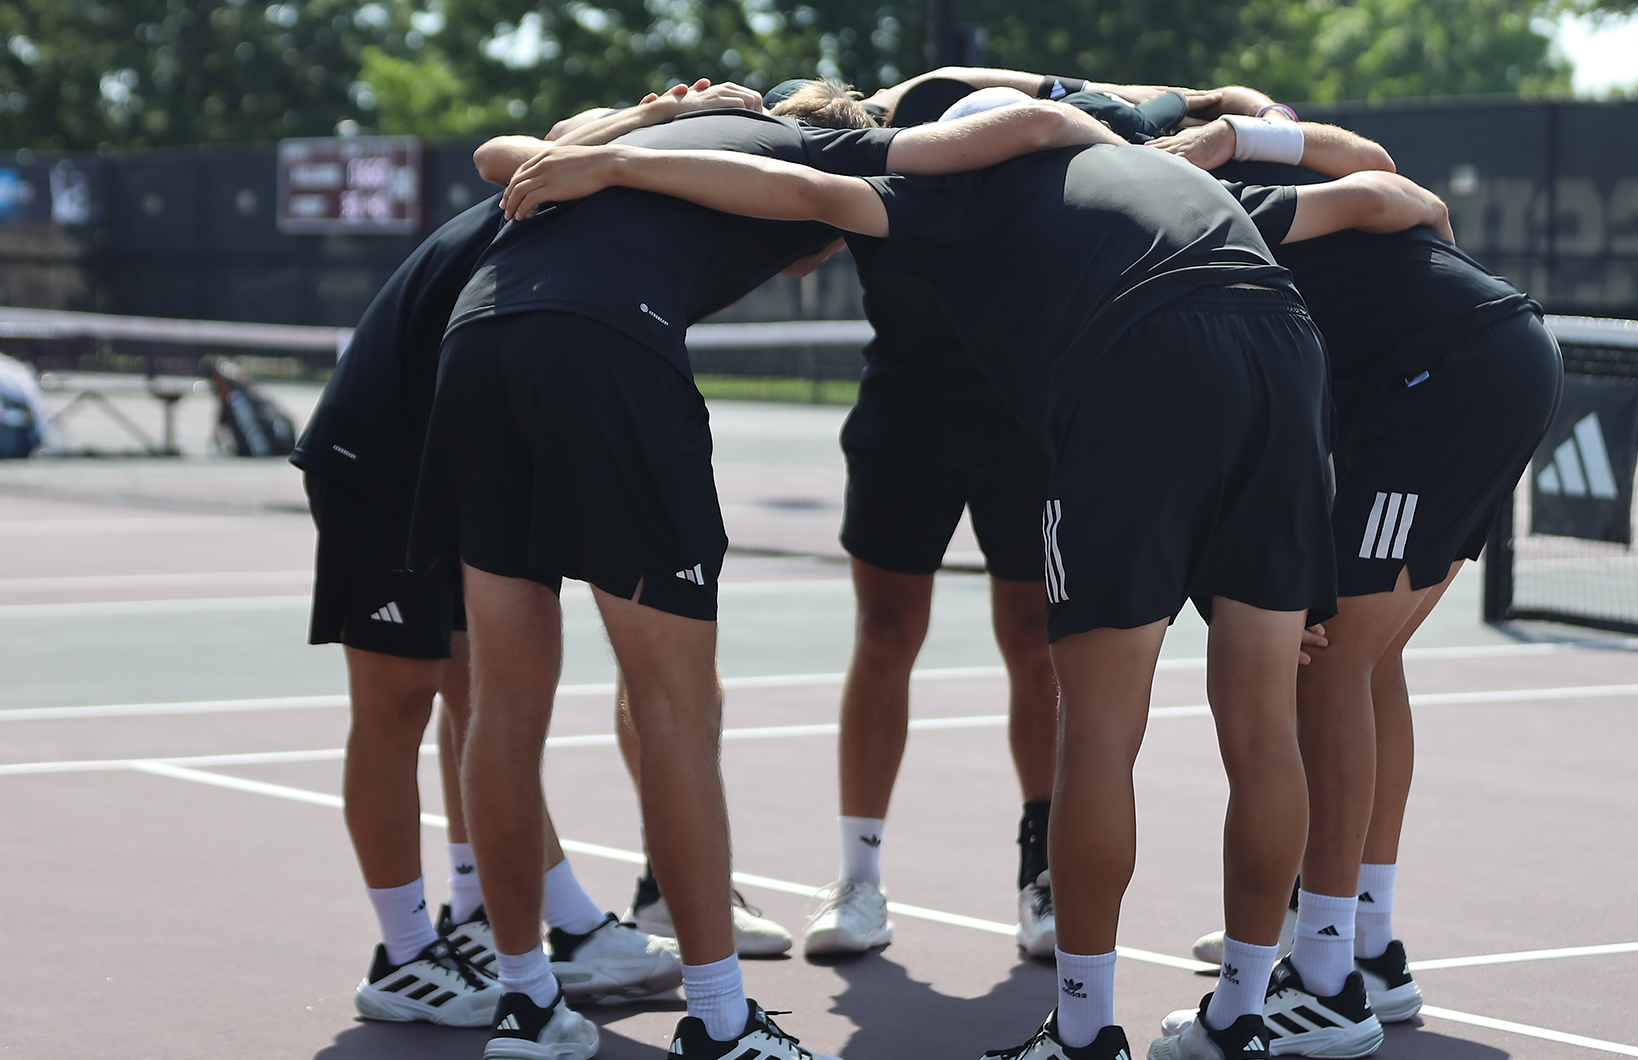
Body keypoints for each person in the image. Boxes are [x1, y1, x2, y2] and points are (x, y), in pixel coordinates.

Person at [500, 115, 1448, 1060]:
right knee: (1262, 724)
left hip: (1144, 352)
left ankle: (1082, 1034)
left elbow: (804, 192)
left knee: (1102, 728)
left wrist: (615, 160)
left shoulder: (960, 194)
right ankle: (1243, 1016)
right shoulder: (1140, 169)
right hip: (1285, 348)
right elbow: (1384, 182)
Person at [422, 93, 1127, 1060]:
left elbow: (500, 153)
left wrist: (622, 140)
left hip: (476, 338)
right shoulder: (822, 146)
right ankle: (718, 1021)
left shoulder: (655, 135)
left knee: (501, 708)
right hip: (602, 346)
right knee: (674, 706)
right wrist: (1141, 143)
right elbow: (1029, 128)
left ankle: (527, 1005)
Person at [291, 83, 772, 1028]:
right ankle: (403, 954)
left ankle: (541, 919)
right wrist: (643, 121)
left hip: (466, 439)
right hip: (383, 444)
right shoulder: (586, 175)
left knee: (482, 698)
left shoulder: (627, 196)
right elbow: (519, 148)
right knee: (400, 701)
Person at [1148, 114, 1564, 1058]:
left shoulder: (1219, 217)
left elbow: (1385, 191)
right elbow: (1386, 181)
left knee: (1326, 669)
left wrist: (1216, 139)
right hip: (1489, 365)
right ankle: (1369, 945)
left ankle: (1327, 981)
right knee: (1369, 662)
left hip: (1450, 382)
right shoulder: (1240, 210)